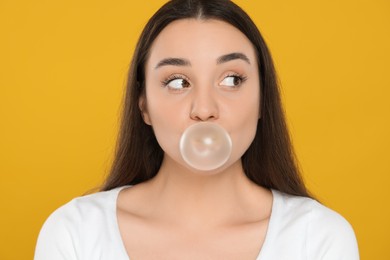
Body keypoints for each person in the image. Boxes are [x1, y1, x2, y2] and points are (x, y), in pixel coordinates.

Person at [34, 0, 359, 259]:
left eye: (232, 80)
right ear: (143, 104)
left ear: (263, 101)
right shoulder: (75, 233)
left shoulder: (318, 238)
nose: (204, 109)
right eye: (178, 82)